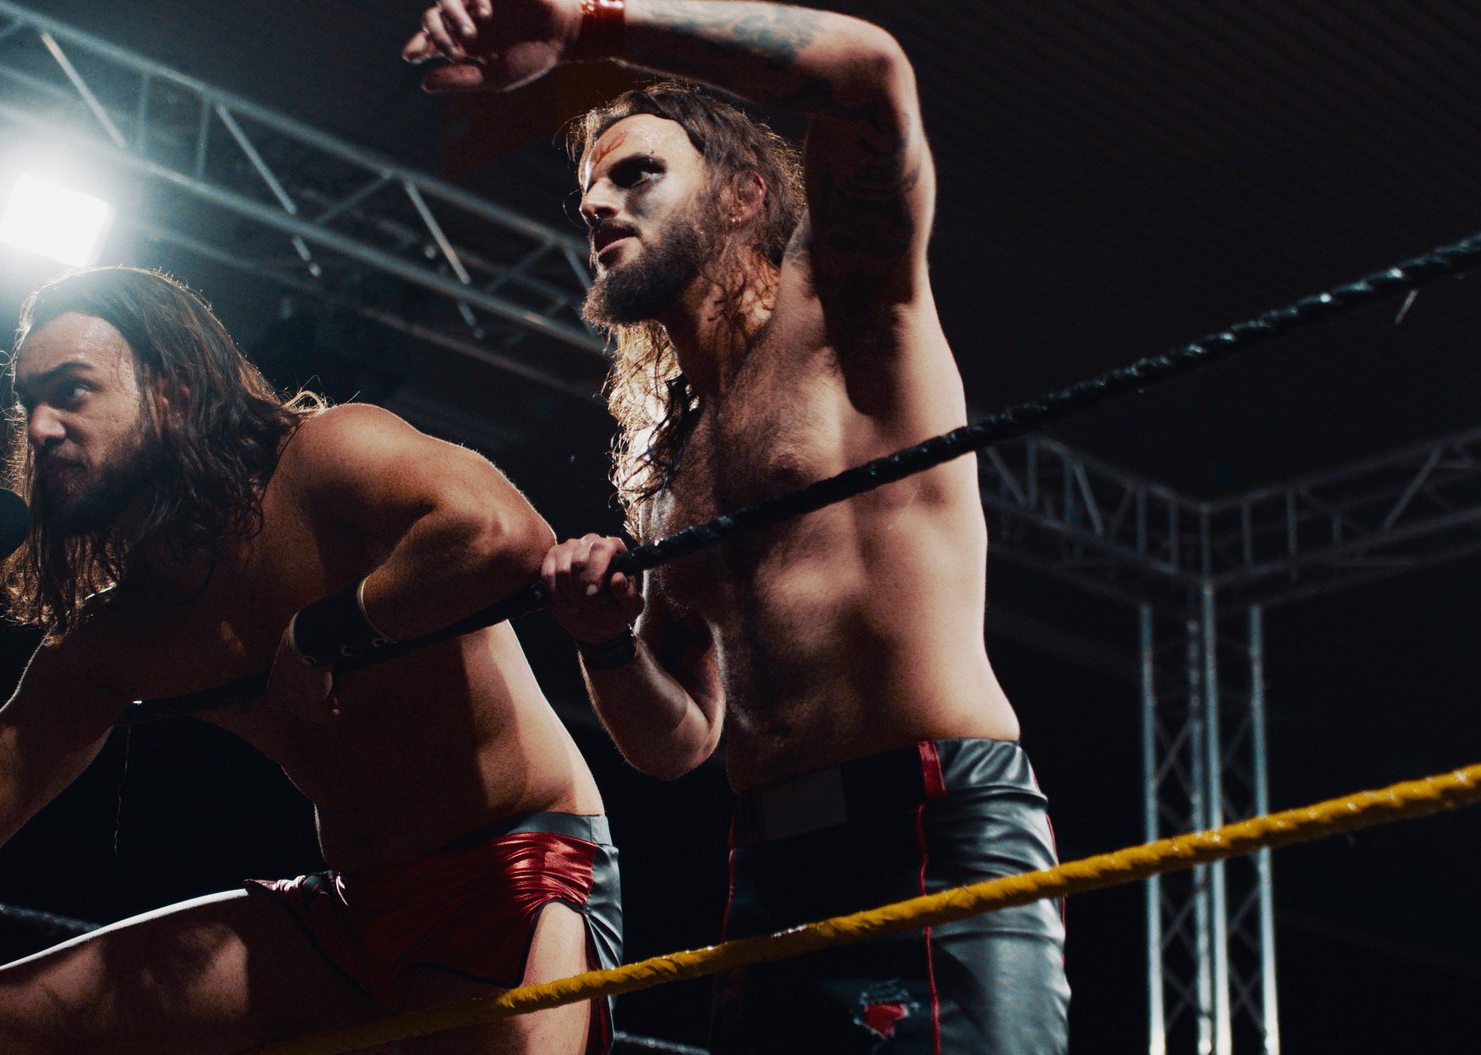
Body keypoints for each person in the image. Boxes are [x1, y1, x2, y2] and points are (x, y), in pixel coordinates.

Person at [405, 3, 1069, 1050]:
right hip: (764, 863)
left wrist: (587, 26)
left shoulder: (846, 306)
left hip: (929, 827)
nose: (598, 205)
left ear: (744, 193)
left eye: (637, 174)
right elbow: (678, 740)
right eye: (589, 194)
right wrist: (602, 641)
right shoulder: (667, 462)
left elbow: (868, 74)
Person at [0, 265, 619, 1054]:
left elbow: (505, 535)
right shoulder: (120, 632)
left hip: (516, 868)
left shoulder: (321, 458)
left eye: (72, 391)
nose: (40, 427)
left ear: (174, 394)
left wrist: (322, 632)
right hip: (353, 910)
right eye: (28, 401)